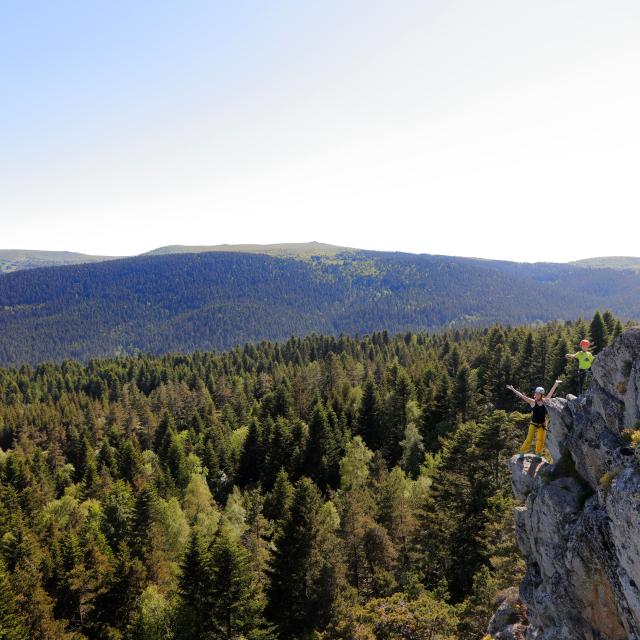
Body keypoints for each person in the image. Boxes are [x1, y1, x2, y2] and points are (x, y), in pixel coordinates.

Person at [506, 379, 561, 459]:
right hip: (534, 423)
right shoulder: (532, 402)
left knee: (540, 440)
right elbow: (522, 396)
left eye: (538, 394)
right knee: (529, 439)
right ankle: (522, 452)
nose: (536, 395)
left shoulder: (545, 401)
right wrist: (513, 389)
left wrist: (556, 383)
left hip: (542, 424)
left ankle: (538, 453)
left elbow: (550, 393)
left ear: (541, 395)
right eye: (536, 393)